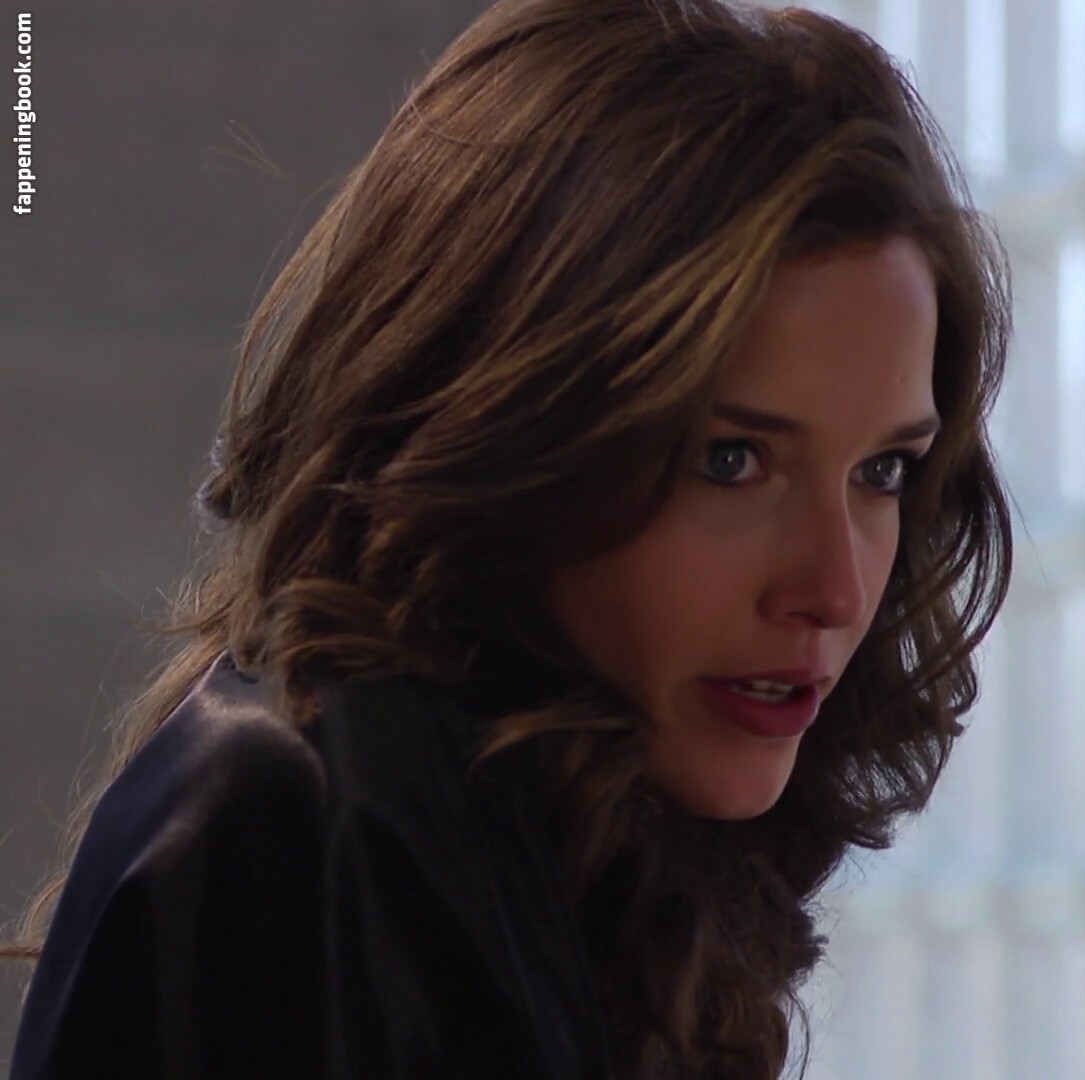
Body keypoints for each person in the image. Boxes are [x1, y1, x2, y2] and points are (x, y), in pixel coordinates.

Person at [0, 0, 1014, 1075]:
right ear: (511, 425)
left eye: (882, 472)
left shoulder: (566, 841)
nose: (836, 587)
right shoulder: (314, 816)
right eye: (731, 460)